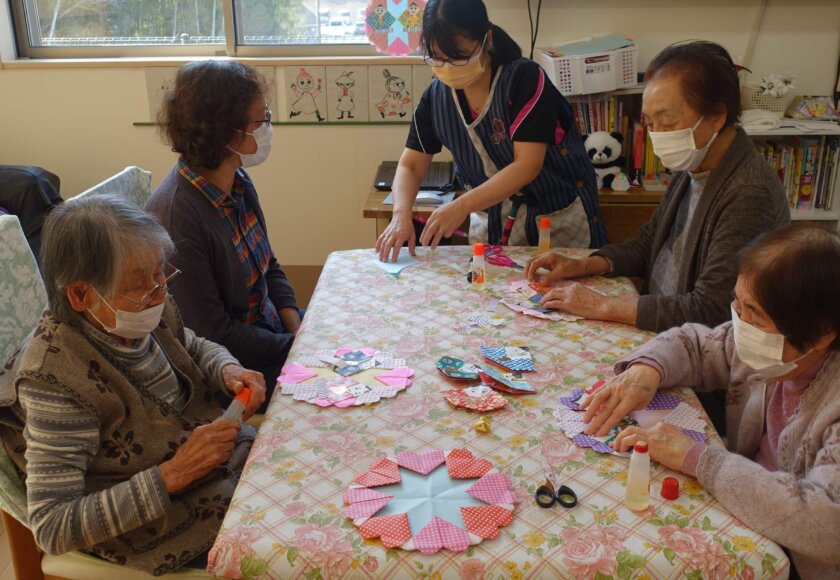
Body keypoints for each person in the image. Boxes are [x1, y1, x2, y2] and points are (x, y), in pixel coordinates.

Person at [0, 195, 265, 574]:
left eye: (160, 272)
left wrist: (226, 369)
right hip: (159, 522)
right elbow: (52, 526)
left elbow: (187, 343)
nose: (159, 289)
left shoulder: (133, 305)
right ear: (80, 294)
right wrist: (174, 474)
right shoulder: (54, 382)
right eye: (141, 280)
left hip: (214, 470)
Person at [580, 224, 840, 578]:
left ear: (823, 332)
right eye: (738, 303)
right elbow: (695, 344)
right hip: (748, 517)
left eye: (754, 313)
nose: (739, 322)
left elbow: (826, 525)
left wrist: (700, 459)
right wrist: (647, 370)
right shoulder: (772, 348)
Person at [525, 41, 789, 332]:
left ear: (717, 115)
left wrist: (602, 305)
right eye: (650, 124)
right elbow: (649, 242)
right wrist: (582, 265)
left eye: (667, 121)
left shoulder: (748, 192)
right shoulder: (695, 161)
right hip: (664, 324)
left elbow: (713, 309)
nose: (657, 136)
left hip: (696, 344)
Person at [375, 0, 607, 262]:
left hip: (556, 221)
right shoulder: (437, 97)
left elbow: (527, 165)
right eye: (437, 57)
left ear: (486, 38)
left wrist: (461, 205)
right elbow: (411, 165)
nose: (448, 67)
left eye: (459, 56)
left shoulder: (524, 79)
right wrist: (400, 215)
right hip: (491, 225)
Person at [147, 61, 300, 406]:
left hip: (269, 333)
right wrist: (298, 346)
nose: (267, 128)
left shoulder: (238, 181)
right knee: (341, 380)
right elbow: (212, 334)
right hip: (234, 369)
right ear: (228, 133)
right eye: (261, 120)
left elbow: (268, 265)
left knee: (350, 339)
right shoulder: (178, 219)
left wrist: (296, 326)